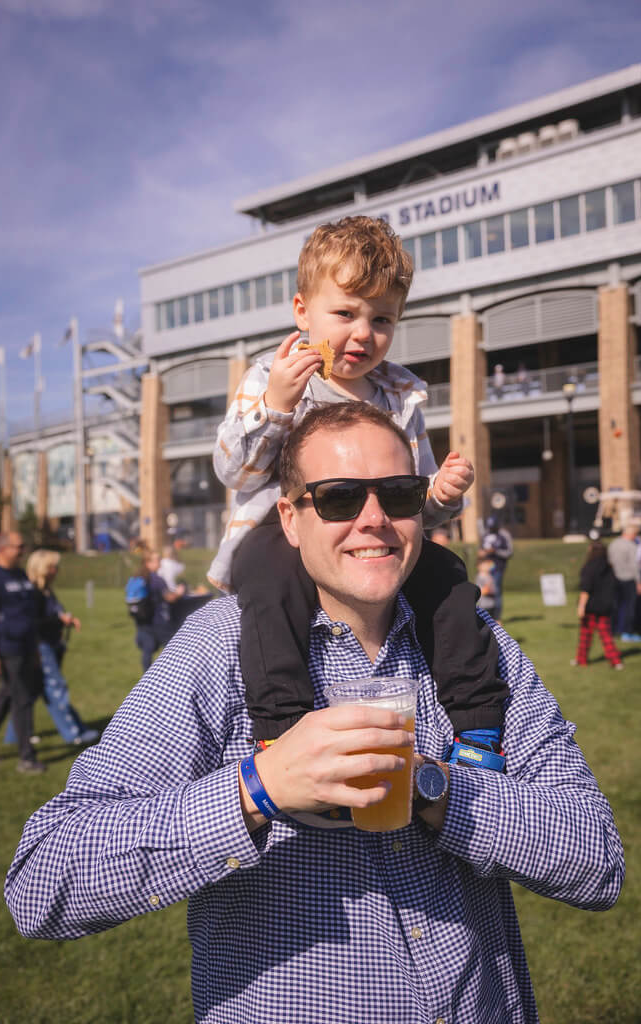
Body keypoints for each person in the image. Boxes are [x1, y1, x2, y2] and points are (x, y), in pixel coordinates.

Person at [5, 404, 624, 1023]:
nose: (374, 520)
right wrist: (258, 789)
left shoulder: (477, 645)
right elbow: (42, 881)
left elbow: (599, 863)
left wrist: (438, 788)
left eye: (400, 494)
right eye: (338, 499)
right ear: (290, 519)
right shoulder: (221, 647)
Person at [210, 215, 507, 769]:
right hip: (284, 531)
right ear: (302, 311)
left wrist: (440, 492)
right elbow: (236, 472)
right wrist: (275, 405)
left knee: (448, 579)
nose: (362, 333)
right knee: (268, 581)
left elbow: (409, 508)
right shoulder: (273, 376)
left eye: (382, 319)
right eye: (344, 313)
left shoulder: (401, 395)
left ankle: (478, 728)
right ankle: (282, 733)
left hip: (378, 539)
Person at [3, 550, 99, 746]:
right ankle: (73, 733)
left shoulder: (46, 590)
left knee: (31, 690)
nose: (57, 570)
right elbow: (33, 621)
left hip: (50, 644)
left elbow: (53, 613)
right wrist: (58, 619)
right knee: (55, 688)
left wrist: (65, 619)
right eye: (52, 567)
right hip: (40, 646)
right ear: (42, 569)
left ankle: (16, 735)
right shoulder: (33, 592)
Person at [0, 532, 45, 773]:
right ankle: (27, 758)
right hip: (6, 649)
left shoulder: (20, 575)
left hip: (25, 648)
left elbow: (29, 614)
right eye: (18, 547)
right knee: (22, 700)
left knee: (6, 698)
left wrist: (35, 649)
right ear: (3, 548)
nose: (23, 551)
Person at [571, 541, 623, 670]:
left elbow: (586, 588)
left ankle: (581, 660)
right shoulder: (609, 567)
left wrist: (581, 606)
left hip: (591, 607)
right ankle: (616, 661)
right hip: (605, 606)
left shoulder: (589, 567)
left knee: (585, 636)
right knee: (606, 636)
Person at [134, 550, 185, 672]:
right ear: (148, 563)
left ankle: (146, 677)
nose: (160, 562)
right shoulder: (157, 579)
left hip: (143, 619)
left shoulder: (138, 577)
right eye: (157, 560)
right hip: (159, 620)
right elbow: (170, 598)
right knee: (172, 648)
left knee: (148, 649)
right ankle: (173, 674)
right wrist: (178, 593)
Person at [608, 522, 641, 642]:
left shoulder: (613, 544)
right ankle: (627, 632)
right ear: (632, 534)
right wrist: (639, 582)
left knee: (615, 606)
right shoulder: (631, 546)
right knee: (630, 607)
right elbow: (634, 565)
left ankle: (612, 631)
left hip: (614, 579)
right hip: (629, 579)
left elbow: (609, 562)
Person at [480, 514, 513, 622]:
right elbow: (482, 548)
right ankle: (486, 616)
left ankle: (497, 617)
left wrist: (495, 551)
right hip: (485, 568)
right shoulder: (486, 534)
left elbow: (509, 552)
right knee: (484, 592)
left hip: (498, 568)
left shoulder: (504, 535)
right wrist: (482, 554)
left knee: (496, 591)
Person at [475, 551, 497, 616]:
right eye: (484, 565)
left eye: (488, 565)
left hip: (491, 604)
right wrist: (489, 589)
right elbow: (483, 591)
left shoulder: (489, 576)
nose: (487, 566)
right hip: (484, 605)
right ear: (479, 566)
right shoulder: (480, 577)